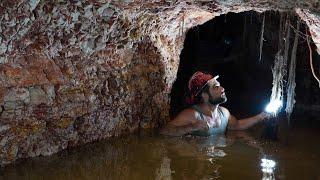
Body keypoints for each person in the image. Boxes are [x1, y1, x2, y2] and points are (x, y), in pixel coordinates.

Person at [160, 71, 271, 136]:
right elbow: (164, 131)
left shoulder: (224, 113)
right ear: (205, 95)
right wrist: (191, 127)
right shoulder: (192, 115)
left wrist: (260, 117)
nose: (222, 89)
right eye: (216, 87)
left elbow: (237, 125)